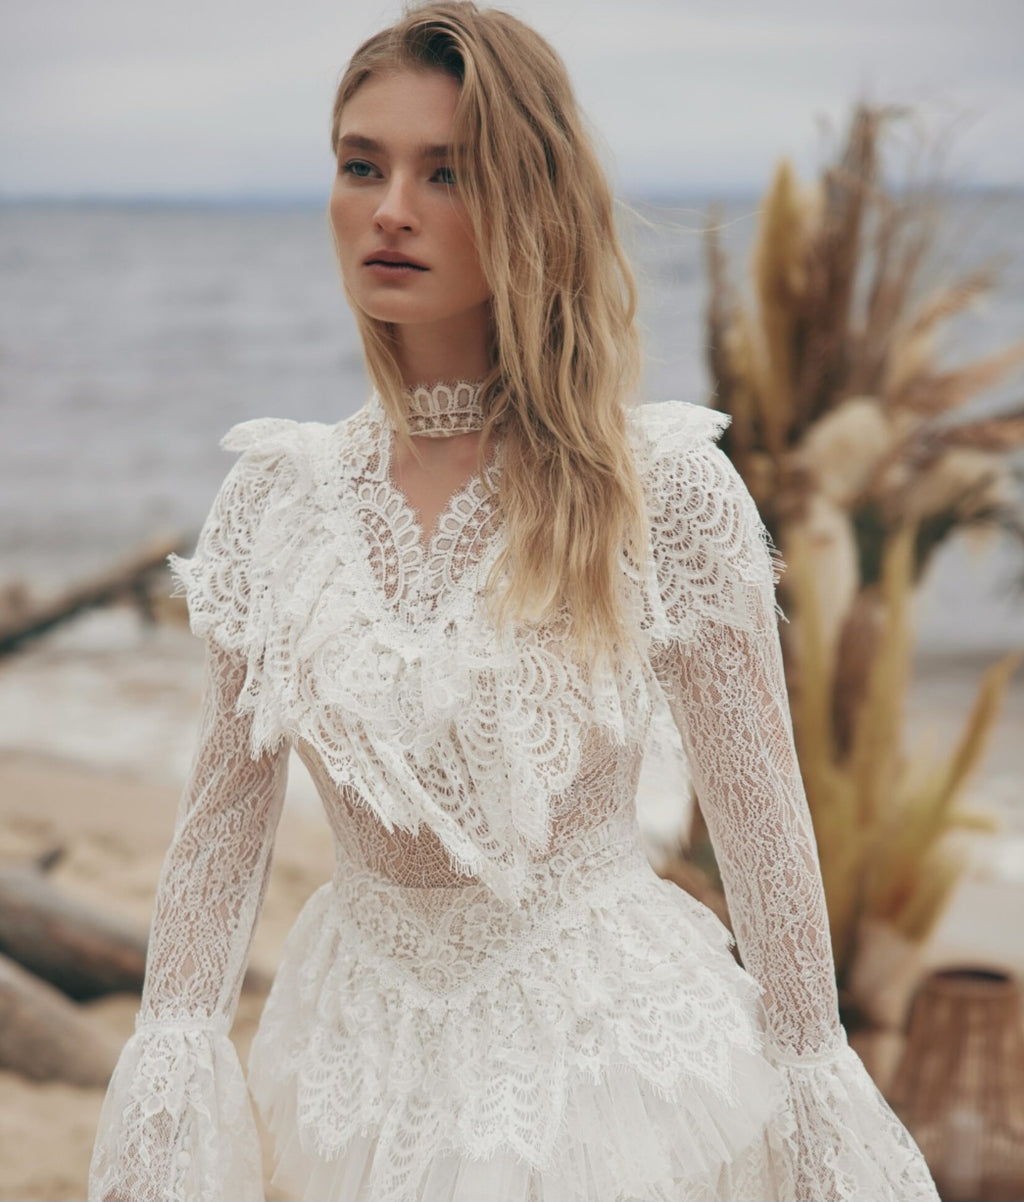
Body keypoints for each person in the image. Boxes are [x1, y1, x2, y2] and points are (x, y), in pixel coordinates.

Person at [88, 4, 941, 1200]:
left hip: (605, 1071)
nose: (390, 207)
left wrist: (813, 1080)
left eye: (447, 172)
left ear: (528, 200)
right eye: (360, 164)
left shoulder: (660, 490)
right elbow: (217, 834)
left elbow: (762, 829)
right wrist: (169, 1088)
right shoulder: (277, 501)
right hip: (352, 1061)